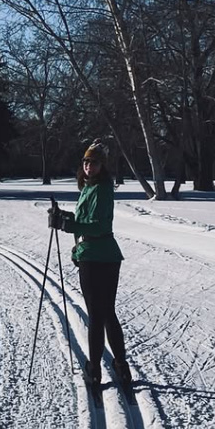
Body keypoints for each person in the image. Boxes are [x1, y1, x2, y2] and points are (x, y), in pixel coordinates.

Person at [61, 139, 131, 389]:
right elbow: (85, 220)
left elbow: (100, 226)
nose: (90, 166)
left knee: (97, 315)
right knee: (107, 312)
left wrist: (71, 226)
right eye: (87, 162)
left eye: (95, 162)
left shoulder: (101, 188)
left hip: (97, 256)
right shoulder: (89, 187)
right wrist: (65, 219)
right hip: (99, 254)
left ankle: (94, 370)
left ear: (102, 165)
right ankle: (121, 367)